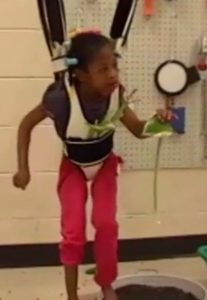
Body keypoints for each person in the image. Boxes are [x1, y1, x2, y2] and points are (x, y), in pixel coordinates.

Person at [12, 32, 173, 300]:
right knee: (73, 233)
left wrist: (160, 121)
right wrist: (22, 169)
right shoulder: (59, 100)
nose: (113, 74)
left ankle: (106, 283)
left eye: (114, 66)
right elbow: (26, 125)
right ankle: (72, 296)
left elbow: (137, 129)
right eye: (103, 69)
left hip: (105, 164)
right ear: (82, 75)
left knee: (106, 223)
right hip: (73, 166)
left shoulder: (116, 95)